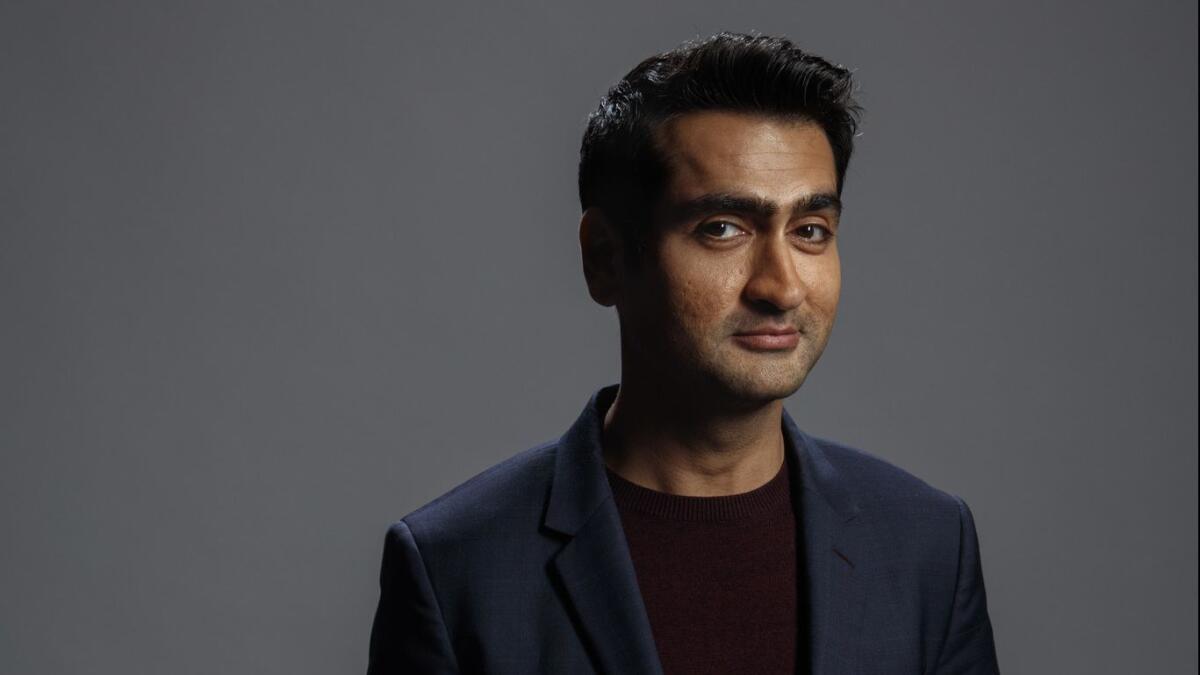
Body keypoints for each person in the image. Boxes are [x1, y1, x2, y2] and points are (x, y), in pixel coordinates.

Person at [367, 31, 1000, 674]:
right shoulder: (457, 568)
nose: (781, 286)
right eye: (722, 229)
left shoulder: (927, 547)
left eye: (811, 231)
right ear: (605, 257)